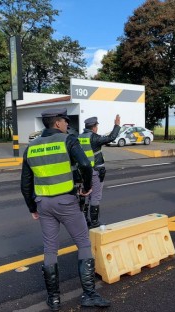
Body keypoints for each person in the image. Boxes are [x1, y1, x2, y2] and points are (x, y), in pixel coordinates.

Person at [20, 108, 110, 311]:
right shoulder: (67, 140)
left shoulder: (31, 147)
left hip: (44, 204)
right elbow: (86, 165)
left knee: (50, 249)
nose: (68, 125)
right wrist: (87, 187)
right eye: (65, 122)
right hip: (67, 202)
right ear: (58, 123)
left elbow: (25, 183)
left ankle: (54, 299)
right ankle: (89, 295)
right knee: (84, 245)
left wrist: (32, 207)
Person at [78, 115, 121, 228]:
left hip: (83, 172)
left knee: (86, 195)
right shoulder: (94, 138)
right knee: (95, 196)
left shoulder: (79, 137)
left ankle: (85, 220)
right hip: (95, 171)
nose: (97, 128)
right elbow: (111, 137)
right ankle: (94, 222)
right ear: (94, 127)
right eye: (96, 126)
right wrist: (116, 125)